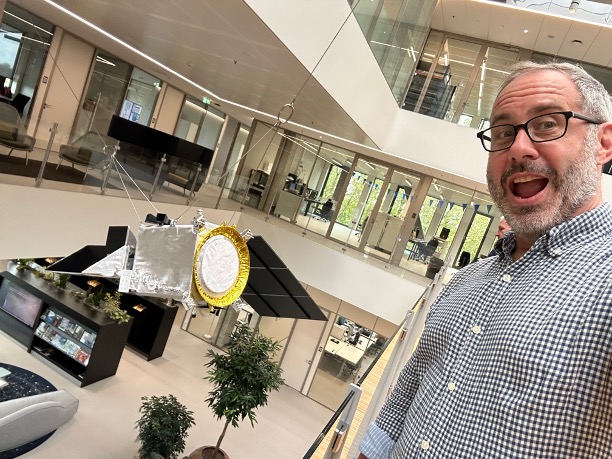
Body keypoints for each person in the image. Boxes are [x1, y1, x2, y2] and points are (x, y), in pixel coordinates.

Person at [359, 61, 612, 458]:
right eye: (502, 132)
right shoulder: (467, 279)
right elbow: (408, 390)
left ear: (603, 143)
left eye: (547, 123)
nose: (517, 148)